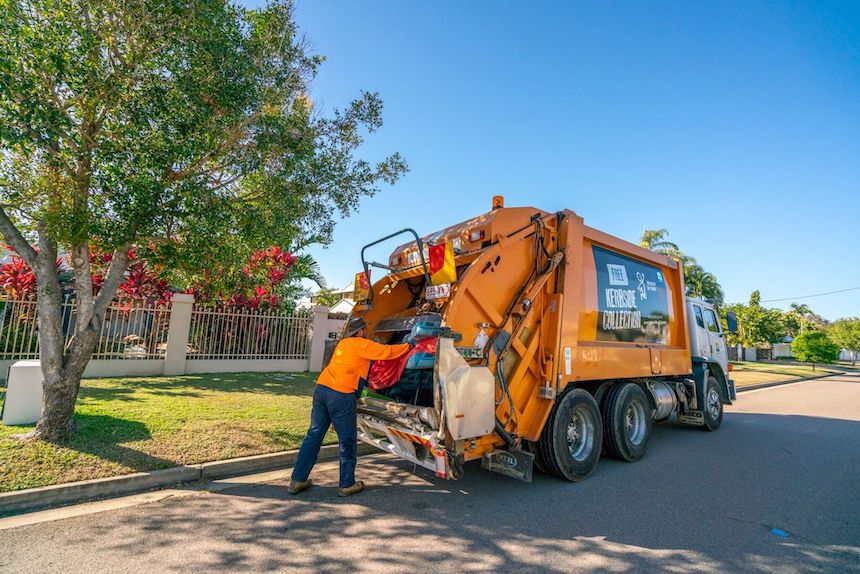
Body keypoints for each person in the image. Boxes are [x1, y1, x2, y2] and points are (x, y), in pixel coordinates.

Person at [288, 316, 411, 497]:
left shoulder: (343, 344)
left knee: (314, 435)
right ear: (360, 331)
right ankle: (347, 484)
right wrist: (410, 346)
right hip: (341, 395)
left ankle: (297, 480)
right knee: (347, 440)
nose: (366, 333)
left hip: (322, 389)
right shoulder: (361, 343)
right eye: (365, 330)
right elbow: (385, 352)